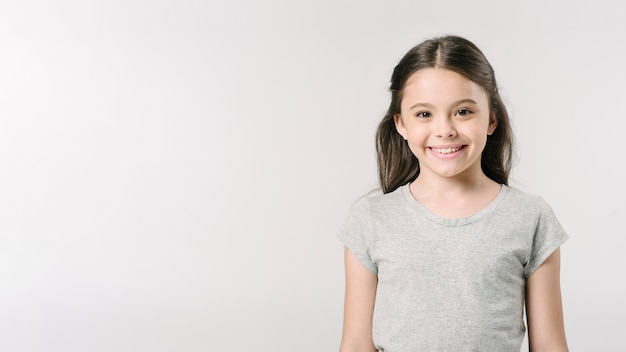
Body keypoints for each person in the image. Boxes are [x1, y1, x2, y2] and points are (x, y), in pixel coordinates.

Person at [337, 35, 569, 351]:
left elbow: (550, 346)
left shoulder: (531, 218)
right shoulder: (371, 219)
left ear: (491, 118)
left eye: (463, 111)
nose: (445, 129)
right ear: (401, 124)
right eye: (423, 114)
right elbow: (355, 344)